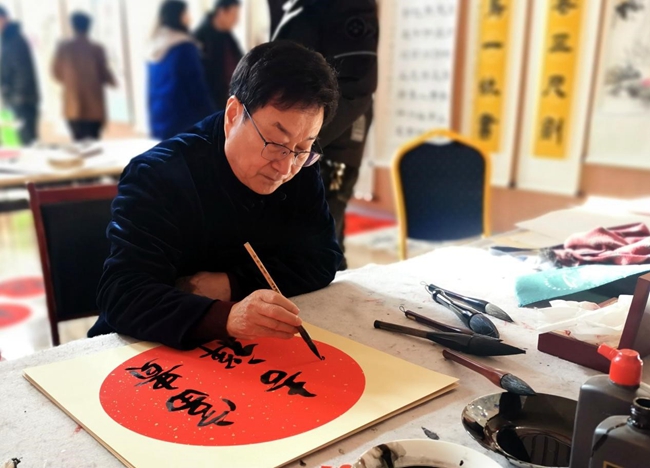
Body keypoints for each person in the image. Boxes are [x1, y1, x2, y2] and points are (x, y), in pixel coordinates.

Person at [88, 41, 342, 350]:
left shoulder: (299, 167)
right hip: (138, 347)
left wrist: (231, 284)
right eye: (275, 143)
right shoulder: (160, 175)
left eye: (303, 148)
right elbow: (123, 295)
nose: (285, 167)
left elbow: (323, 258)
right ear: (234, 114)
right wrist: (228, 317)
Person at [269, 0, 379, 270]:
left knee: (322, 236)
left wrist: (301, 141)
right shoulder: (292, 6)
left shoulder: (351, 5)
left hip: (334, 140)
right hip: (299, 139)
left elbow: (356, 87)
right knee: (306, 233)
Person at [147, 0, 214, 140]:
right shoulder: (184, 47)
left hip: (160, 116)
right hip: (182, 119)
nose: (189, 18)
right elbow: (196, 87)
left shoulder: (154, 45)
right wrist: (212, 117)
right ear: (177, 16)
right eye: (186, 13)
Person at [52, 12, 116, 141]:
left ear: (72, 26)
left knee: (78, 142)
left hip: (73, 105)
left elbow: (56, 74)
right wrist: (112, 81)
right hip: (94, 106)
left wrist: (71, 82)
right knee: (94, 142)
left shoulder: (63, 48)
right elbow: (104, 73)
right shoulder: (97, 49)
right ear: (89, 27)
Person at [0, 5, 39, 145]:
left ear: (5, 18)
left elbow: (22, 72)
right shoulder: (7, 40)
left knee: (25, 145)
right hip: (15, 100)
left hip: (21, 102)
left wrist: (15, 96)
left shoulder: (14, 40)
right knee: (14, 144)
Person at [194, 0, 243, 110]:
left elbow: (239, 60)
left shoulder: (227, 35)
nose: (236, 20)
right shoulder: (200, 37)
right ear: (221, 12)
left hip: (228, 99)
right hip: (209, 104)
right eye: (234, 15)